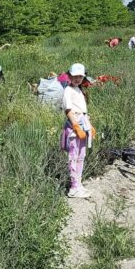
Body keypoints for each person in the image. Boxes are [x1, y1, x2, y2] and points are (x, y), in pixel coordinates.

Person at [60, 63, 95, 199]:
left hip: (83, 124)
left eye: (80, 76)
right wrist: (76, 126)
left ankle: (78, 184)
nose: (77, 79)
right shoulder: (68, 90)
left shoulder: (79, 90)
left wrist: (90, 126)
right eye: (75, 76)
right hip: (75, 127)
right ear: (69, 76)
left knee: (81, 156)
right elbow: (68, 110)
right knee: (73, 156)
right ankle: (73, 187)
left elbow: (84, 112)